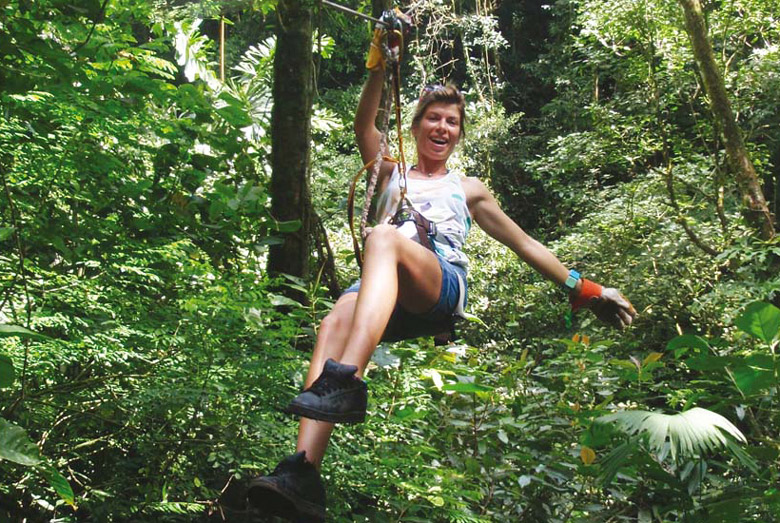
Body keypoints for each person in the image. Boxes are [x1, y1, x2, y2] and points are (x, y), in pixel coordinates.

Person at [246, 28, 636, 521]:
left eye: (452, 122)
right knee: (332, 323)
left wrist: (587, 289)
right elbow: (364, 122)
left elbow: (524, 243)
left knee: (383, 237)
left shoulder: (468, 188)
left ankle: (346, 379)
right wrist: (380, 62)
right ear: (415, 127)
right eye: (433, 118)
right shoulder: (389, 171)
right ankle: (302, 471)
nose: (442, 127)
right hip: (382, 290)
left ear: (458, 134)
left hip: (439, 282)